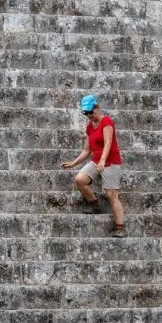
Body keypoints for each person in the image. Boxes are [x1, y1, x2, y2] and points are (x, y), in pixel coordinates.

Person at [61, 95, 125, 237]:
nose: (90, 115)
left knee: (111, 195)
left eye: (91, 112)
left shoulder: (106, 121)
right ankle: (94, 204)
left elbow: (108, 142)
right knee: (80, 179)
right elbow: (87, 150)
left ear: (97, 108)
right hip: (97, 161)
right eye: (86, 113)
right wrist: (73, 163)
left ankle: (120, 227)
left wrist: (103, 161)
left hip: (111, 162)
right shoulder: (90, 126)